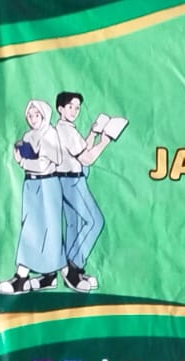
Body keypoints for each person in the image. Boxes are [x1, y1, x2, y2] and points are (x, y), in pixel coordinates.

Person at [0, 99, 64, 294]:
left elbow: (45, 164)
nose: (33, 119)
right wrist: (23, 159)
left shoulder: (50, 134)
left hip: (48, 184)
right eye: (30, 116)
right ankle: (35, 275)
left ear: (44, 115)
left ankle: (27, 277)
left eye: (37, 115)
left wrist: (23, 161)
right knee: (30, 228)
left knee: (49, 230)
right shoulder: (28, 135)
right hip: (30, 184)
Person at [53, 90, 112, 293]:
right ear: (60, 109)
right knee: (95, 221)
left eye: (77, 107)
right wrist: (105, 141)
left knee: (73, 225)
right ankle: (74, 268)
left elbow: (80, 151)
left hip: (63, 179)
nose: (75, 111)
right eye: (71, 107)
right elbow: (87, 158)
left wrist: (93, 133)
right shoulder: (67, 131)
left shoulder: (64, 128)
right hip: (72, 181)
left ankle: (72, 271)